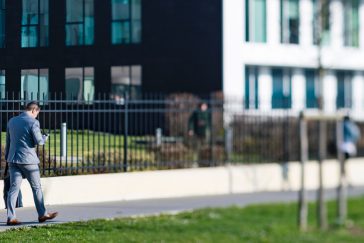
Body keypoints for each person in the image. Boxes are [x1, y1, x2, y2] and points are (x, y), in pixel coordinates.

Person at [5, 101, 58, 225]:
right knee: (36, 188)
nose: (36, 116)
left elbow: (8, 142)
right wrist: (44, 138)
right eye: (37, 113)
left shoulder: (12, 121)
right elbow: (38, 142)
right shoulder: (33, 122)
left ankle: (11, 217)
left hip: (13, 159)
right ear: (34, 110)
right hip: (28, 161)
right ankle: (42, 214)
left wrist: (8, 158)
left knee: (13, 189)